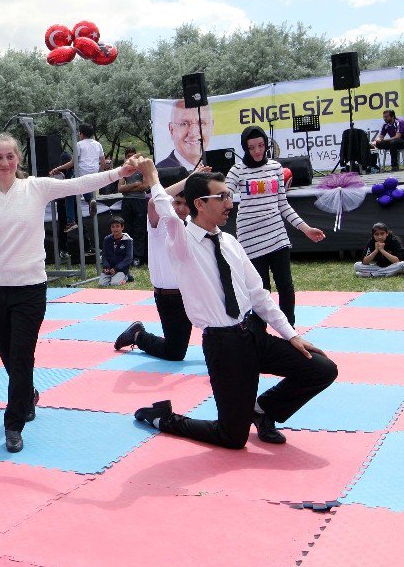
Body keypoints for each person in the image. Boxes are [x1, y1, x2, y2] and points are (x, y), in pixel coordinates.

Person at [0, 133, 136, 453]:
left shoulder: (36, 187)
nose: (5, 162)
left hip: (30, 289)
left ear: (18, 158)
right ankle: (27, 395)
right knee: (9, 356)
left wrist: (119, 173)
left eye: (10, 156)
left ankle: (13, 422)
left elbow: (80, 183)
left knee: (21, 355)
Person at [132, 160, 338, 449]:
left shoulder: (229, 241)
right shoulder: (181, 242)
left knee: (323, 369)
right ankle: (164, 418)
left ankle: (262, 410)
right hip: (222, 346)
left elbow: (259, 294)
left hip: (252, 334)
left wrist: (291, 335)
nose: (230, 202)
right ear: (200, 204)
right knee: (233, 437)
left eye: (230, 195)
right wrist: (152, 177)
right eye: (223, 197)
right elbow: (165, 211)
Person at [226, 126, 325, 326]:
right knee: (261, 291)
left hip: (277, 235)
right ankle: (260, 335)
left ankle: (290, 331)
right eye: (251, 147)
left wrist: (306, 229)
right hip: (250, 239)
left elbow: (283, 204)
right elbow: (225, 194)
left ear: (266, 145)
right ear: (245, 147)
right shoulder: (237, 170)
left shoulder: (275, 168)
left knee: (286, 287)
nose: (257, 151)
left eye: (261, 145)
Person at [114, 174, 198, 361]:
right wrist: (189, 179)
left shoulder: (192, 224)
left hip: (192, 293)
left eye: (186, 204)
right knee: (175, 352)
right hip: (169, 297)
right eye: (177, 203)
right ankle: (137, 335)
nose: (182, 209)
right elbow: (153, 202)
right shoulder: (159, 223)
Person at [158, 100, 215, 170]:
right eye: (184, 124)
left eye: (201, 123)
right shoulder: (158, 174)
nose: (193, 133)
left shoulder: (222, 168)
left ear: (211, 127)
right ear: (172, 130)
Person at [116, 147, 147, 265]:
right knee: (127, 229)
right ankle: (127, 255)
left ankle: (138, 257)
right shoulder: (123, 170)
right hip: (127, 201)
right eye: (128, 156)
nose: (131, 158)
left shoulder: (142, 169)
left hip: (139, 201)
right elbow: (120, 188)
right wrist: (135, 184)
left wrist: (128, 187)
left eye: (133, 156)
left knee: (139, 229)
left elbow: (144, 186)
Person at [99, 216, 134, 286]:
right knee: (101, 284)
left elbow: (129, 258)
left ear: (122, 227)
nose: (115, 229)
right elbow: (104, 255)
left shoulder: (127, 240)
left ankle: (126, 277)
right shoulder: (107, 239)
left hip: (121, 269)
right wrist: (106, 266)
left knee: (114, 283)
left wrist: (117, 268)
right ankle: (114, 277)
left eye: (117, 226)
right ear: (110, 228)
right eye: (113, 227)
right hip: (109, 269)